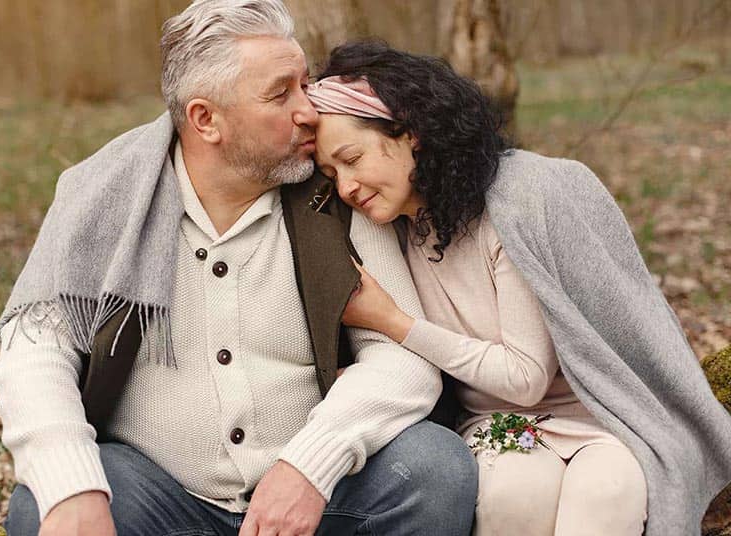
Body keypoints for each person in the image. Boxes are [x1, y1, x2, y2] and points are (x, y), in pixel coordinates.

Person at [0, 4, 479, 536]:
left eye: (304, 83)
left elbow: (403, 360)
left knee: (434, 469)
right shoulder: (99, 196)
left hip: (319, 497)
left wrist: (309, 466)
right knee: (43, 508)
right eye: (279, 93)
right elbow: (31, 353)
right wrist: (72, 483)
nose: (309, 111)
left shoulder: (338, 192)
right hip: (159, 496)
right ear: (205, 119)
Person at [307, 41, 731, 536]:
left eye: (353, 159)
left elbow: (526, 376)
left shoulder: (515, 204)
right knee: (513, 496)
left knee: (606, 494)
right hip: (495, 423)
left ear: (412, 134)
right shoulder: (383, 230)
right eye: (332, 174)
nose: (346, 187)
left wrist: (394, 322)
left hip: (600, 415)